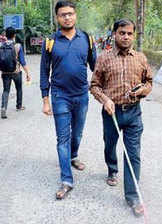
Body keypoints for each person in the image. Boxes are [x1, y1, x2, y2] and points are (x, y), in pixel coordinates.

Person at [90, 19, 152, 217]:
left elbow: (149, 82)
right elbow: (94, 85)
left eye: (130, 34)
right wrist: (104, 99)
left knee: (132, 154)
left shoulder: (141, 58)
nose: (126, 37)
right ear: (114, 34)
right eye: (122, 33)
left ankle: (133, 196)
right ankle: (112, 169)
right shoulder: (104, 58)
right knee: (110, 145)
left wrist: (143, 90)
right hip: (111, 113)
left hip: (134, 113)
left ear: (134, 35)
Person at [40, 0, 96, 200]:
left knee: (77, 134)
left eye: (70, 13)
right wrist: (45, 99)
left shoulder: (86, 39)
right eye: (63, 14)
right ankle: (66, 180)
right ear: (57, 17)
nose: (67, 17)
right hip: (59, 96)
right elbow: (44, 71)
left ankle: (73, 156)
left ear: (75, 15)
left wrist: (105, 90)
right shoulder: (50, 42)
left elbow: (95, 67)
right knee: (62, 139)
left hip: (81, 95)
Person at [1, 27, 31, 119]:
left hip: (5, 72)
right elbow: (22, 61)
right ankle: (19, 106)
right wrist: (27, 73)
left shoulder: (1, 45)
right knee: (19, 88)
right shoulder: (18, 46)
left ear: (5, 35)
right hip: (16, 72)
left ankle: (3, 107)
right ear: (14, 35)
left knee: (6, 90)